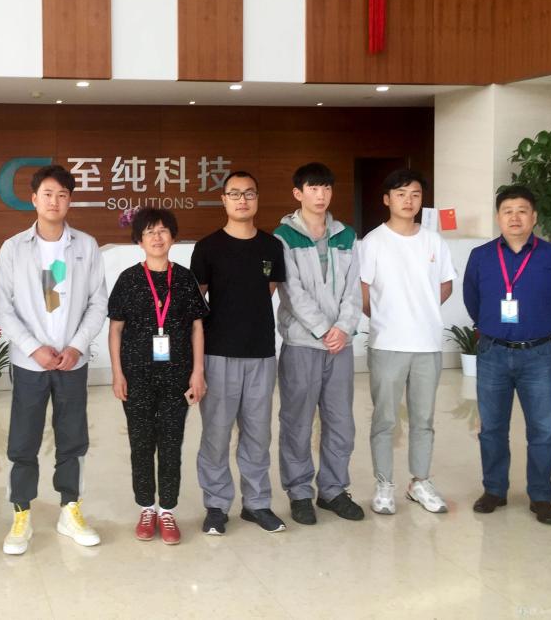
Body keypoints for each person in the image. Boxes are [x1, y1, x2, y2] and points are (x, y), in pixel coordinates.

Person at [0, 164, 108, 555]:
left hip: (72, 363)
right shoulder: (13, 248)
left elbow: (98, 302)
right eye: (47, 194)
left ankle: (69, 509)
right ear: (33, 199)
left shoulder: (86, 246)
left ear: (70, 200)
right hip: (30, 365)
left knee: (73, 438)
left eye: (61, 194)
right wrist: (33, 347)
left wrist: (76, 345)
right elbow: (2, 306)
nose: (54, 201)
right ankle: (21, 513)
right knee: (23, 440)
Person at [463, 185, 551, 525]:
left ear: (534, 217)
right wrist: (492, 326)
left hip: (538, 354)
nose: (515, 217)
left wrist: (543, 328)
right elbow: (472, 299)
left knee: (542, 429)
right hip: (493, 352)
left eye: (522, 211)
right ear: (498, 217)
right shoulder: (481, 256)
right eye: (508, 211)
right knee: (492, 428)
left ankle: (541, 496)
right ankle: (494, 490)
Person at [190, 170, 288, 535]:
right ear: (224, 200)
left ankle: (257, 503)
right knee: (216, 435)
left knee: (258, 435)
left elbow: (269, 290)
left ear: (257, 198)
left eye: (249, 193)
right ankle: (216, 505)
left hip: (261, 353)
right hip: (219, 354)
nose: (242, 200)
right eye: (235, 193)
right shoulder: (208, 247)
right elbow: (195, 303)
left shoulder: (271, 246)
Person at [108, 208, 208, 545]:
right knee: (140, 444)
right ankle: (146, 508)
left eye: (163, 230)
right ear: (139, 240)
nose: (157, 237)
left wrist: (197, 372)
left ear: (173, 238)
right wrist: (117, 374)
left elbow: (196, 327)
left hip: (177, 377)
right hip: (136, 377)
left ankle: (166, 510)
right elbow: (115, 330)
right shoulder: (128, 280)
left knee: (170, 445)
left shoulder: (185, 279)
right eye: (149, 231)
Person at [360, 169, 457, 515]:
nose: (408, 200)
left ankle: (420, 482)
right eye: (400, 194)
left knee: (423, 419)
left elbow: (445, 284)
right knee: (385, 419)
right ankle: (384, 484)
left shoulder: (434, 241)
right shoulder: (372, 242)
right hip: (388, 343)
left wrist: (422, 311)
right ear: (386, 199)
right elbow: (363, 292)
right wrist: (388, 318)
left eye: (415, 194)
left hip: (427, 344)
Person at [274, 163, 365, 525]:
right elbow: (291, 291)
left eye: (326, 188)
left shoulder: (346, 235)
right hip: (302, 344)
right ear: (298, 193)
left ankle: (333, 490)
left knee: (341, 421)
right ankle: (299, 493)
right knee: (297, 422)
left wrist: (343, 329)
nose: (321, 195)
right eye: (313, 188)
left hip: (340, 346)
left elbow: (354, 289)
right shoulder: (284, 236)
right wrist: (323, 329)